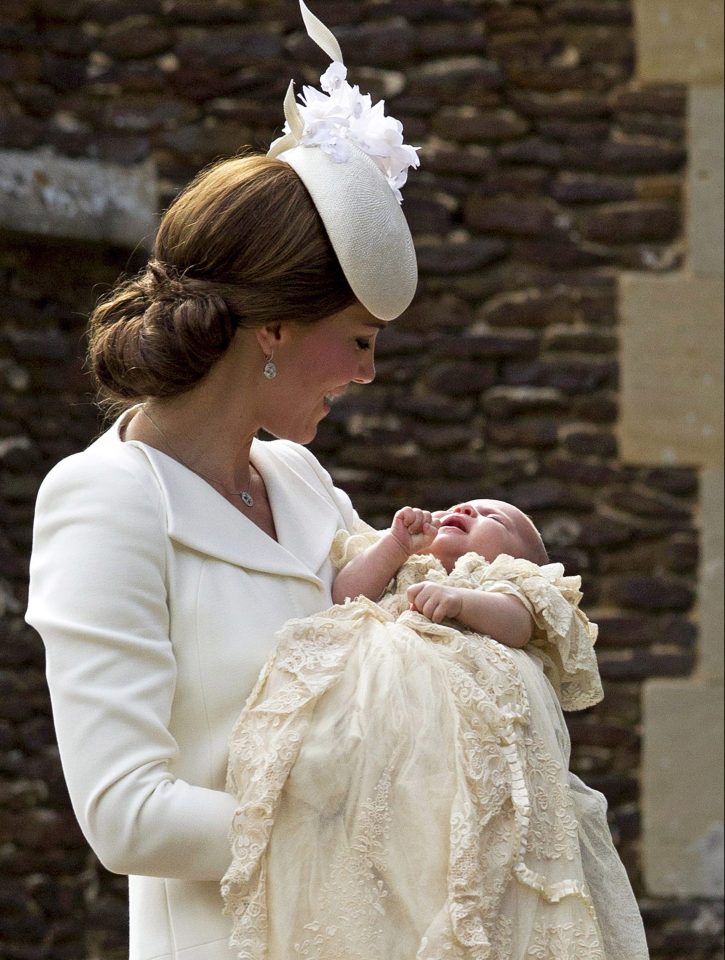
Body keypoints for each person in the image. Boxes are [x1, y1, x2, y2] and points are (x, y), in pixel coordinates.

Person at [25, 4, 420, 959]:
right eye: (357, 340)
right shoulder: (107, 499)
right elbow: (126, 816)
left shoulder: (295, 477)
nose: (367, 374)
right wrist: (353, 816)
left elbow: (404, 633)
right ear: (273, 331)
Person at [221, 500, 651, 959]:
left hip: (455, 737)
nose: (467, 509)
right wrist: (394, 545)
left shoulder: (505, 583)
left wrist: (463, 602)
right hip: (376, 728)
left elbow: (517, 624)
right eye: (461, 506)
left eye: (495, 518)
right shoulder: (406, 565)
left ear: (522, 557)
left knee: (459, 835)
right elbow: (343, 593)